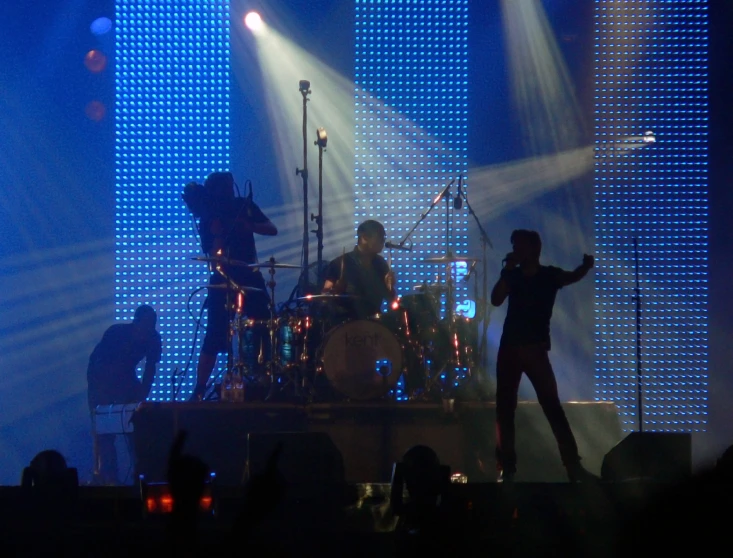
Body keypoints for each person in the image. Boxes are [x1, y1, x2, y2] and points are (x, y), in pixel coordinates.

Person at [490, 229, 596, 483]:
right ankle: (508, 468)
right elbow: (495, 299)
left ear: (533, 249)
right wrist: (507, 270)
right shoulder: (513, 276)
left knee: (551, 408)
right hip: (511, 350)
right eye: (514, 244)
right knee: (506, 410)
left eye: (519, 245)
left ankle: (572, 466)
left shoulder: (549, 275)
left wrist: (585, 266)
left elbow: (572, 277)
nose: (515, 249)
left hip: (534, 351)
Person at [187, 172, 277, 400]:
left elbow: (271, 228)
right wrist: (218, 233)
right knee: (215, 332)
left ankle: (264, 377)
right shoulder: (208, 215)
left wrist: (248, 225)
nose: (228, 191)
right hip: (222, 276)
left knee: (263, 323)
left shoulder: (244, 205)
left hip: (249, 273)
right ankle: (200, 387)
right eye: (223, 187)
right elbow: (211, 252)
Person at [87, 304, 161, 484]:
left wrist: (141, 397)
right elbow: (101, 366)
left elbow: (150, 370)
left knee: (136, 428)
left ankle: (140, 476)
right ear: (135, 323)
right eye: (144, 326)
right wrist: (107, 401)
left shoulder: (153, 339)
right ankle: (109, 479)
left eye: (151, 327)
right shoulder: (115, 333)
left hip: (126, 378)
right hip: (99, 380)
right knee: (105, 432)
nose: (147, 331)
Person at [322, 219, 397, 321]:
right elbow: (324, 297)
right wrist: (335, 290)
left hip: (374, 323)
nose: (383, 242)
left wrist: (390, 287)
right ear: (364, 237)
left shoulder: (381, 264)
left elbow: (391, 299)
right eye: (380, 237)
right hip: (345, 324)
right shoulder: (340, 263)